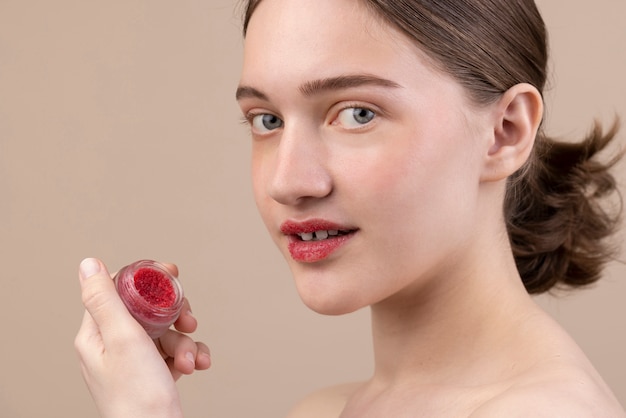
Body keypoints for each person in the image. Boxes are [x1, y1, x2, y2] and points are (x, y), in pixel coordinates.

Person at [75, 0, 626, 416]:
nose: (289, 182)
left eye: (357, 113)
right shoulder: (321, 411)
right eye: (266, 120)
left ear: (505, 133)